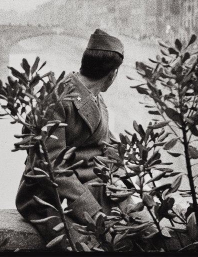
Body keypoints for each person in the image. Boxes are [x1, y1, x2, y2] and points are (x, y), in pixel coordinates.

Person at [16, 29, 155, 247]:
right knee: (86, 245)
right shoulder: (57, 99)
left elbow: (110, 148)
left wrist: (123, 186)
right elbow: (54, 168)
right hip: (50, 197)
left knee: (146, 230)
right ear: (112, 74)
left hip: (93, 186)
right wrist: (94, 211)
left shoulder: (95, 98)